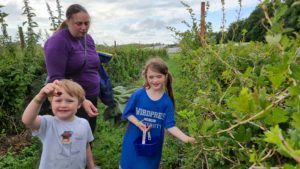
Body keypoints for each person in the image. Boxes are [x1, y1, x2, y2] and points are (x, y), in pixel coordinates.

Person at [119, 57, 196, 169]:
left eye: (159, 76)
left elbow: (170, 126)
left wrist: (186, 138)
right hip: (133, 143)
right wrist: (138, 123)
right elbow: (128, 113)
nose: (155, 80)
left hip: (152, 147)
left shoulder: (166, 102)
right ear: (146, 77)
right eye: (151, 77)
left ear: (165, 77)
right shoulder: (138, 95)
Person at [44, 4, 99, 133]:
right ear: (68, 21)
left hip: (91, 98)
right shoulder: (58, 42)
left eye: (87, 23)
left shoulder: (88, 39)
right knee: (71, 140)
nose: (84, 28)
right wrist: (81, 100)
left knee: (87, 136)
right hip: (71, 102)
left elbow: (92, 67)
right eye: (78, 23)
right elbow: (56, 80)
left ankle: (87, 154)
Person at [22, 79, 95, 169]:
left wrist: (92, 166)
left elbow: (86, 146)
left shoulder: (84, 124)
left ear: (79, 104)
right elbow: (27, 120)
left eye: (69, 101)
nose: (63, 105)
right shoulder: (47, 123)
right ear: (51, 103)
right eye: (58, 100)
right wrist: (40, 96)